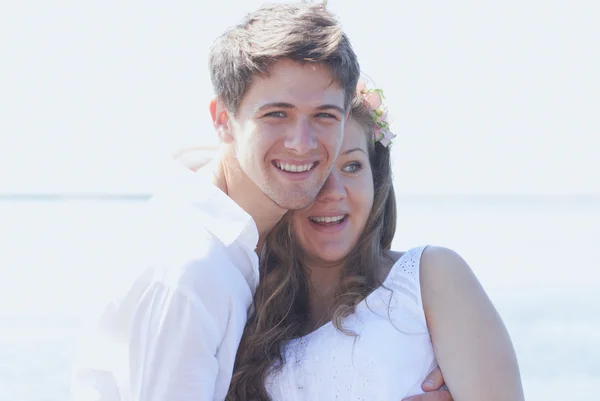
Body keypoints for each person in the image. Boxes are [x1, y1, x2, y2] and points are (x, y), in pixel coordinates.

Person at [70, 3, 360, 401]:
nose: (302, 142)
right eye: (277, 114)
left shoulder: (246, 241)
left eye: (325, 116)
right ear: (223, 118)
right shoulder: (192, 269)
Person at [223, 81, 526, 400]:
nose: (334, 191)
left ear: (376, 180)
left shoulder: (429, 277)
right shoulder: (244, 307)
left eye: (352, 166)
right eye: (315, 167)